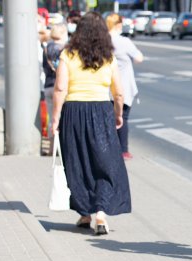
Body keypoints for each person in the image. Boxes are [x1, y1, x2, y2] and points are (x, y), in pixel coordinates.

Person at [50, 12, 130, 235]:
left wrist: (55, 118)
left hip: (74, 112)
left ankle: (85, 213)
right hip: (101, 111)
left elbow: (60, 89)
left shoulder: (68, 54)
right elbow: (119, 92)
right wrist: (118, 114)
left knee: (77, 162)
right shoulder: (108, 57)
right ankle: (101, 213)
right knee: (105, 163)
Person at [106, 12, 143, 160]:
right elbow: (139, 57)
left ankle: (109, 148)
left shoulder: (102, 41)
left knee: (108, 118)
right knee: (123, 117)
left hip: (107, 85)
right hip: (124, 85)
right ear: (118, 25)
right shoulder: (124, 41)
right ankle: (123, 150)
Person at [42, 23, 68, 150]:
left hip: (48, 86)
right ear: (62, 33)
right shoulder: (64, 50)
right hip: (61, 87)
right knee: (62, 118)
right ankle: (62, 147)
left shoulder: (46, 48)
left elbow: (44, 67)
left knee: (52, 117)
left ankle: (51, 147)